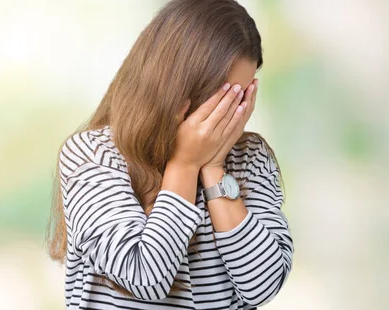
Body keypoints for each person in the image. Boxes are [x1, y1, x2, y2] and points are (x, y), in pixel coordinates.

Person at [45, 0, 294, 309]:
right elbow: (145, 277)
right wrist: (185, 164)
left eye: (241, 98)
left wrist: (215, 168)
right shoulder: (92, 155)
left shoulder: (249, 157)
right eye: (221, 99)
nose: (229, 114)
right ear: (175, 85)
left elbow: (263, 286)